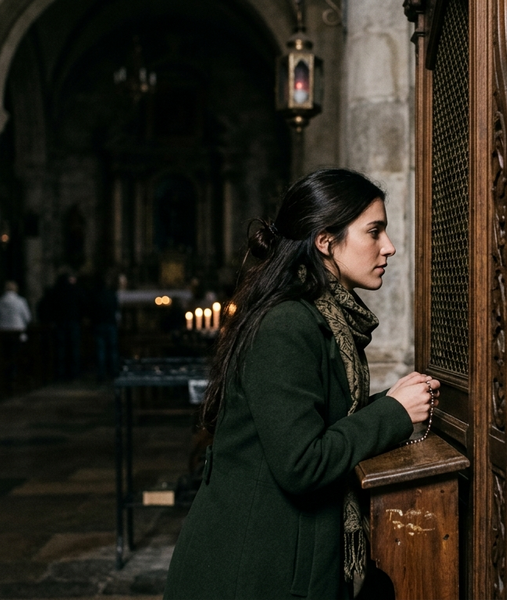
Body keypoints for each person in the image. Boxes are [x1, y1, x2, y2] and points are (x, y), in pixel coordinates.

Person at [164, 168, 439, 599]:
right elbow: (302, 463)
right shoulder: (287, 323)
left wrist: (395, 400)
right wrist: (393, 413)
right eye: (374, 232)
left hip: (279, 557)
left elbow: (320, 418)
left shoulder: (324, 316)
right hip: (250, 572)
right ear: (325, 241)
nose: (389, 246)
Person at [0, 281, 32, 391]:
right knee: (16, 355)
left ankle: (5, 378)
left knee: (5, 356)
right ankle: (15, 377)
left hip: (3, 334)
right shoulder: (20, 301)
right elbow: (28, 317)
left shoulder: (0, 301)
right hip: (17, 334)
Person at [90, 273, 120, 381]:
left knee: (100, 350)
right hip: (110, 323)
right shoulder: (111, 294)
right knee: (112, 349)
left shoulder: (95, 294)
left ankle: (101, 374)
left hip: (99, 324)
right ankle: (113, 372)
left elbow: (92, 310)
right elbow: (116, 308)